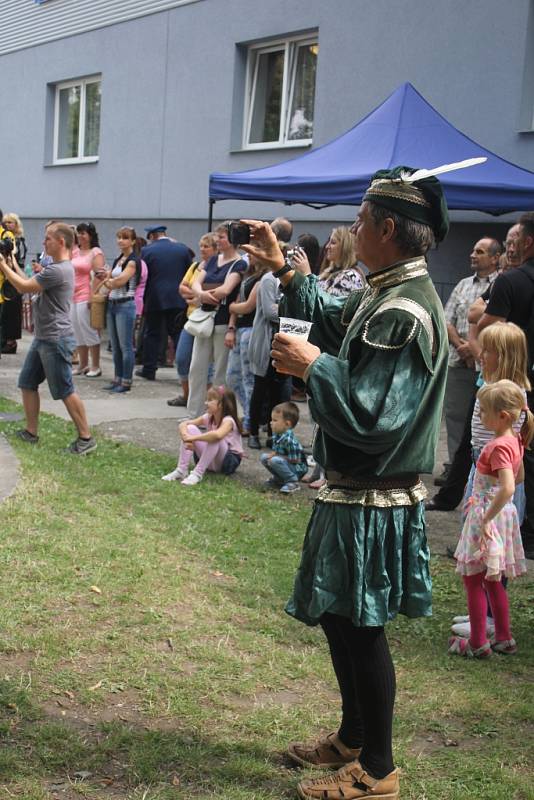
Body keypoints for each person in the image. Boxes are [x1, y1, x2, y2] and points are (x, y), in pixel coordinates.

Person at [241, 160, 464, 800]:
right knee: (343, 619)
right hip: (353, 489)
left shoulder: (406, 309)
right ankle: (353, 738)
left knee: (362, 626)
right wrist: (287, 268)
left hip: (374, 495)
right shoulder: (386, 290)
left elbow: (374, 414)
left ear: (387, 228)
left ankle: (379, 769)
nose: (352, 228)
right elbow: (338, 321)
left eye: (361, 220)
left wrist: (315, 366)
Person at [449, 321, 529, 640]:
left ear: (505, 355)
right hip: (482, 470)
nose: (482, 354)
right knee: (481, 546)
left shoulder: (508, 394)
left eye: (488, 350)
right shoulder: (494, 382)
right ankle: (481, 610)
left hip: (494, 480)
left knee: (491, 547)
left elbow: (510, 465)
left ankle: (491, 619)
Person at [0, 223, 96, 454]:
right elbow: (31, 285)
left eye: (48, 239)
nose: (44, 243)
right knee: (27, 383)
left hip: (55, 339)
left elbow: (23, 287)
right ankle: (31, 432)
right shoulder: (56, 268)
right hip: (44, 337)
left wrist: (3, 266)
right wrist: (11, 263)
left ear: (61, 242)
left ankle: (86, 438)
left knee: (65, 389)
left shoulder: (59, 270)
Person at [477, 212, 534, 558]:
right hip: (488, 469)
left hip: (495, 478)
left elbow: (480, 316)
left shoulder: (512, 281)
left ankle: (487, 614)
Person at [439, 238, 500, 483]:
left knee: (485, 419)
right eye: (473, 250)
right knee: (454, 417)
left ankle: (484, 468)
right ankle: (454, 468)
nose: (473, 255)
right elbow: (446, 319)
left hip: (488, 366)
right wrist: (462, 346)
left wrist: (476, 351)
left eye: (480, 252)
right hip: (458, 361)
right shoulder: (463, 285)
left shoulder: (502, 283)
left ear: (495, 258)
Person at [186, 223, 247, 417]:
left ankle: (218, 414)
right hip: (204, 319)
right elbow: (195, 281)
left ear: (233, 240)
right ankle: (194, 413)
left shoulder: (239, 264)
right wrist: (203, 295)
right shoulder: (212, 260)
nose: (218, 240)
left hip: (221, 322)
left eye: (222, 237)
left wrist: (203, 293)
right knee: (196, 368)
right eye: (218, 236)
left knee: (220, 373)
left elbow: (227, 290)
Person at [167, 233, 218, 407]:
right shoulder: (195, 266)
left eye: (206, 246)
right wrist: (196, 294)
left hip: (208, 320)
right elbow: (182, 287)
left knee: (207, 365)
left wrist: (196, 294)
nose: (202, 249)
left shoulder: (217, 268)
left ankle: (208, 399)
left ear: (215, 249)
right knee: (182, 358)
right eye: (201, 245)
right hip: (191, 319)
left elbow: (209, 294)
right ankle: (187, 395)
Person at [136, 225, 192, 381]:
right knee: (177, 333)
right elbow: (190, 272)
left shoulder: (147, 251)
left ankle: (149, 369)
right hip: (178, 297)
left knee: (152, 334)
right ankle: (185, 370)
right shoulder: (182, 249)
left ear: (152, 236)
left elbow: (143, 276)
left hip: (155, 298)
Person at [162, 385, 243, 486]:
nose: (206, 403)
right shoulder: (208, 417)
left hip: (227, 462)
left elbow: (217, 435)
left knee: (215, 437)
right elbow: (184, 424)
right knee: (191, 428)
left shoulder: (228, 421)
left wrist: (193, 438)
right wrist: (186, 438)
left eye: (210, 400)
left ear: (221, 404)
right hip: (211, 461)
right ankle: (181, 470)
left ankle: (197, 474)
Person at [247, 269, 291, 450]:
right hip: (265, 345)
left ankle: (274, 436)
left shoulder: (293, 279)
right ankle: (253, 432)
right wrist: (291, 309)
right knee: (260, 391)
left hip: (284, 344)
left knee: (278, 394)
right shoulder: (268, 279)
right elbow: (268, 311)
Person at [226, 253, 268, 433]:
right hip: (239, 329)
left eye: (255, 251)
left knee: (248, 379)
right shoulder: (247, 275)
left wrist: (233, 308)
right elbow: (237, 303)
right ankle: (251, 413)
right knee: (232, 377)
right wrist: (231, 326)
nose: (250, 255)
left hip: (252, 330)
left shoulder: (265, 277)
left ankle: (252, 419)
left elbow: (248, 306)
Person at [102, 227, 142, 393]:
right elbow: (110, 278)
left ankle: (126, 381)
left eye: (125, 238)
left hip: (125, 304)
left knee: (126, 346)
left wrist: (109, 280)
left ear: (133, 241)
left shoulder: (133, 260)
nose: (120, 241)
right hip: (113, 303)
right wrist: (109, 279)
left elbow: (119, 281)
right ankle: (117, 378)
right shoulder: (119, 258)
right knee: (116, 346)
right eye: (119, 237)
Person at [70, 222, 106, 377]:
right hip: (73, 295)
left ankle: (95, 366)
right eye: (78, 233)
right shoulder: (75, 251)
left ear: (90, 235)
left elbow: (99, 276)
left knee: (89, 330)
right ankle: (83, 365)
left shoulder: (95, 252)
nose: (80, 236)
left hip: (86, 294)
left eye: (83, 233)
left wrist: (93, 295)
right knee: (77, 332)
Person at [260, 401, 308, 493]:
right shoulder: (277, 433)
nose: (270, 423)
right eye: (271, 420)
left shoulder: (289, 440)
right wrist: (273, 454)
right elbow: (276, 449)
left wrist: (276, 457)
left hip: (298, 468)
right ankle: (279, 479)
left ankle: (293, 482)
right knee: (264, 458)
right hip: (285, 462)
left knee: (275, 460)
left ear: (287, 424)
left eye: (275, 420)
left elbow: (295, 460)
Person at [1, 212, 27, 354]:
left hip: (16, 276)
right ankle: (4, 340)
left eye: (11, 222)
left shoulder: (19, 240)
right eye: (6, 222)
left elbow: (18, 257)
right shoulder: (3, 237)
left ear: (16, 225)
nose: (8, 224)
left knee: (12, 310)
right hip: (5, 277)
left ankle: (11, 342)